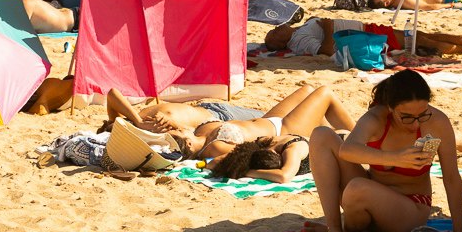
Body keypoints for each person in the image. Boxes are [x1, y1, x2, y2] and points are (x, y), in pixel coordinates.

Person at [307, 70, 462, 232]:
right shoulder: (376, 118)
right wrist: (397, 159)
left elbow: (451, 176)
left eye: (423, 114)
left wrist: (458, 230)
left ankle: (346, 231)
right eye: (407, 117)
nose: (416, 124)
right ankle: (334, 229)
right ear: (390, 107)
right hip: (370, 194)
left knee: (357, 188)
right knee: (321, 135)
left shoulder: (437, 122)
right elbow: (347, 150)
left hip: (411, 207)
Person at [107, 83, 358, 164]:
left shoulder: (196, 133)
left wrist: (138, 119)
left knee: (307, 89)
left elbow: (112, 94)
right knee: (324, 93)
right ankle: (361, 140)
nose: (175, 128)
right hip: (284, 130)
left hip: (269, 119)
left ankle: (338, 136)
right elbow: (243, 158)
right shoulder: (212, 149)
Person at [265, 17, 462, 59]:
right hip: (364, 37)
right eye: (275, 32)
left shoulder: (298, 30)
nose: (278, 27)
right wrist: (329, 25)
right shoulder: (298, 41)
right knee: (418, 40)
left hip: (365, 29)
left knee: (418, 37)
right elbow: (325, 51)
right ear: (279, 43)